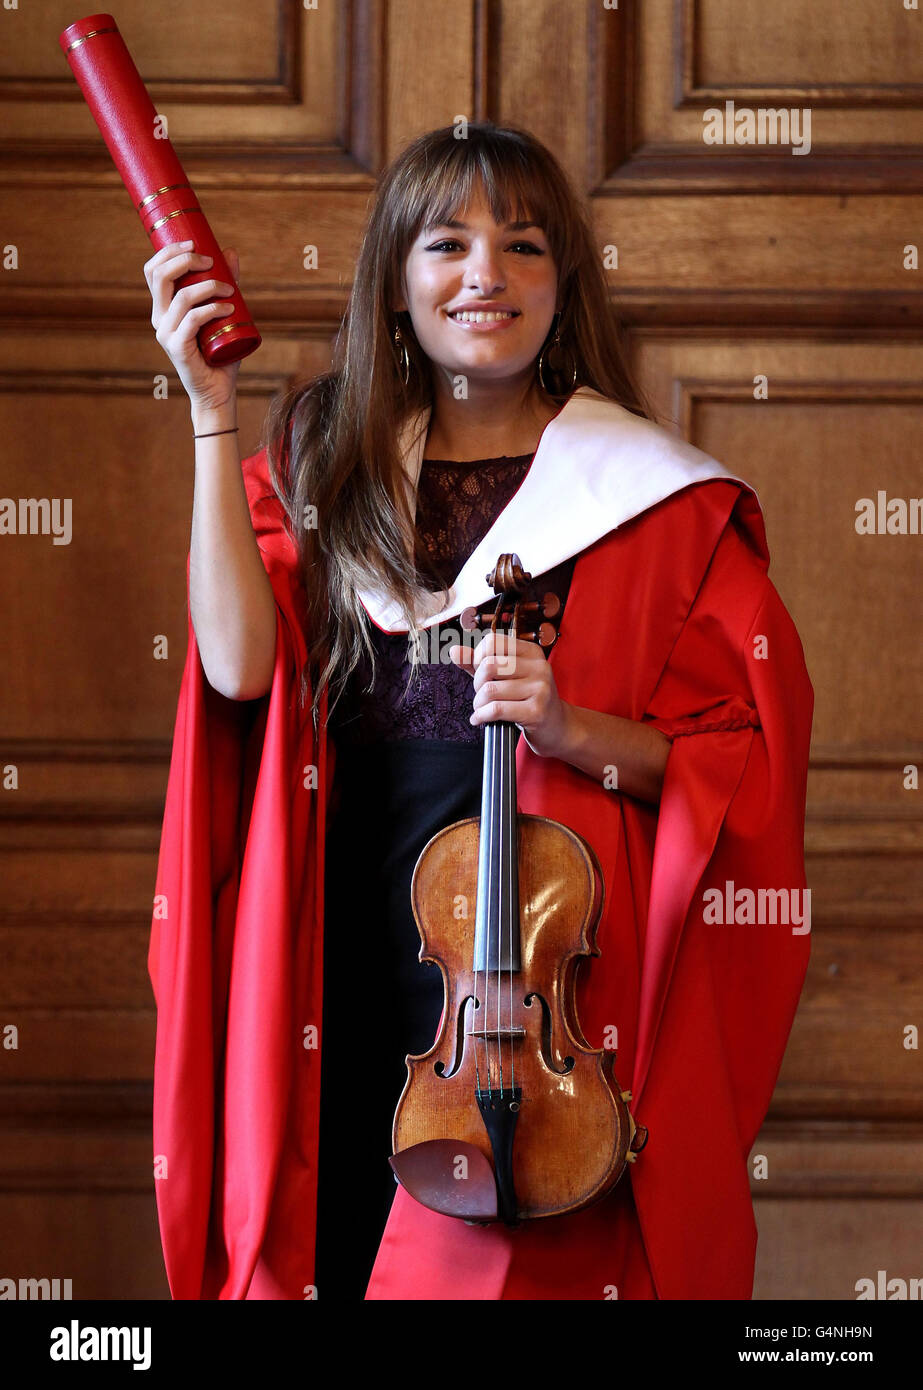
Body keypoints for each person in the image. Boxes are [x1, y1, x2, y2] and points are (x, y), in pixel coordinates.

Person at [146, 121, 813, 1301]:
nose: (483, 275)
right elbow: (239, 669)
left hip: (531, 976)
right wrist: (211, 410)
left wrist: (570, 730)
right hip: (345, 941)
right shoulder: (327, 465)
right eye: (445, 243)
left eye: (522, 245)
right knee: (338, 1233)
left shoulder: (653, 501)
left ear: (564, 283)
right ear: (396, 280)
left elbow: (742, 767)